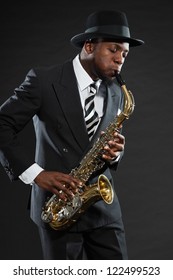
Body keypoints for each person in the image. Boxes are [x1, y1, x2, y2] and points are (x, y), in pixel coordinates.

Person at [0, 10, 144, 260]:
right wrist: (37, 174)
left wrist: (117, 152)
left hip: (104, 211)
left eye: (125, 53)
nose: (120, 59)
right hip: (58, 209)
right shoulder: (43, 81)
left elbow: (107, 141)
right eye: (113, 50)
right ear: (89, 45)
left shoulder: (118, 92)